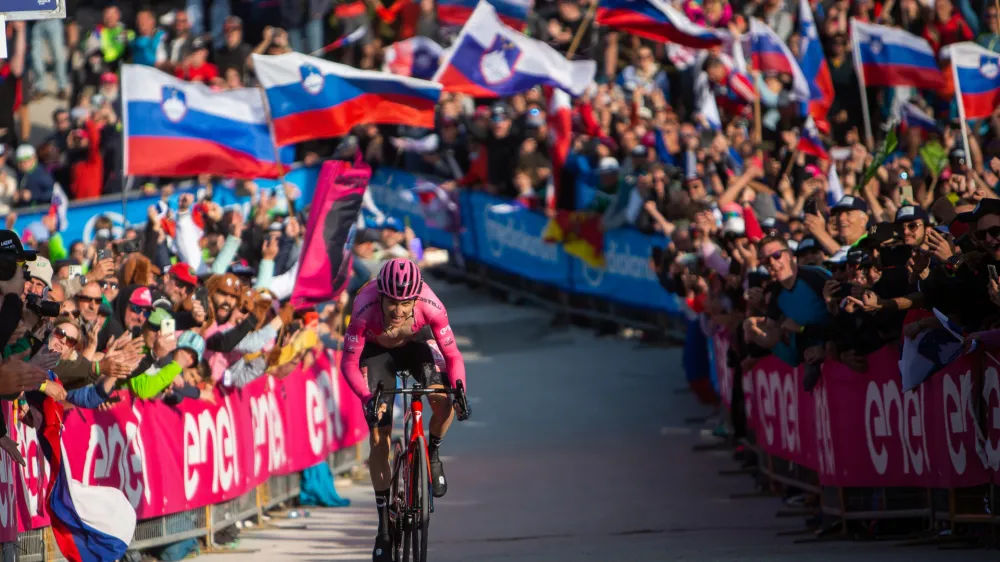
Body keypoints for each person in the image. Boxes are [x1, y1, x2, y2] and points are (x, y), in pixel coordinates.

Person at [340, 258, 470, 562]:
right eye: (392, 303)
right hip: (376, 354)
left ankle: (432, 452)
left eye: (405, 303)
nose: (398, 310)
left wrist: (460, 390)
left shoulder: (432, 306)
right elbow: (348, 363)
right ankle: (384, 528)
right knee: (379, 436)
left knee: (443, 401)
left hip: (417, 346)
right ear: (381, 297)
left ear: (416, 298)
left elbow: (452, 354)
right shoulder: (363, 307)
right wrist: (366, 398)